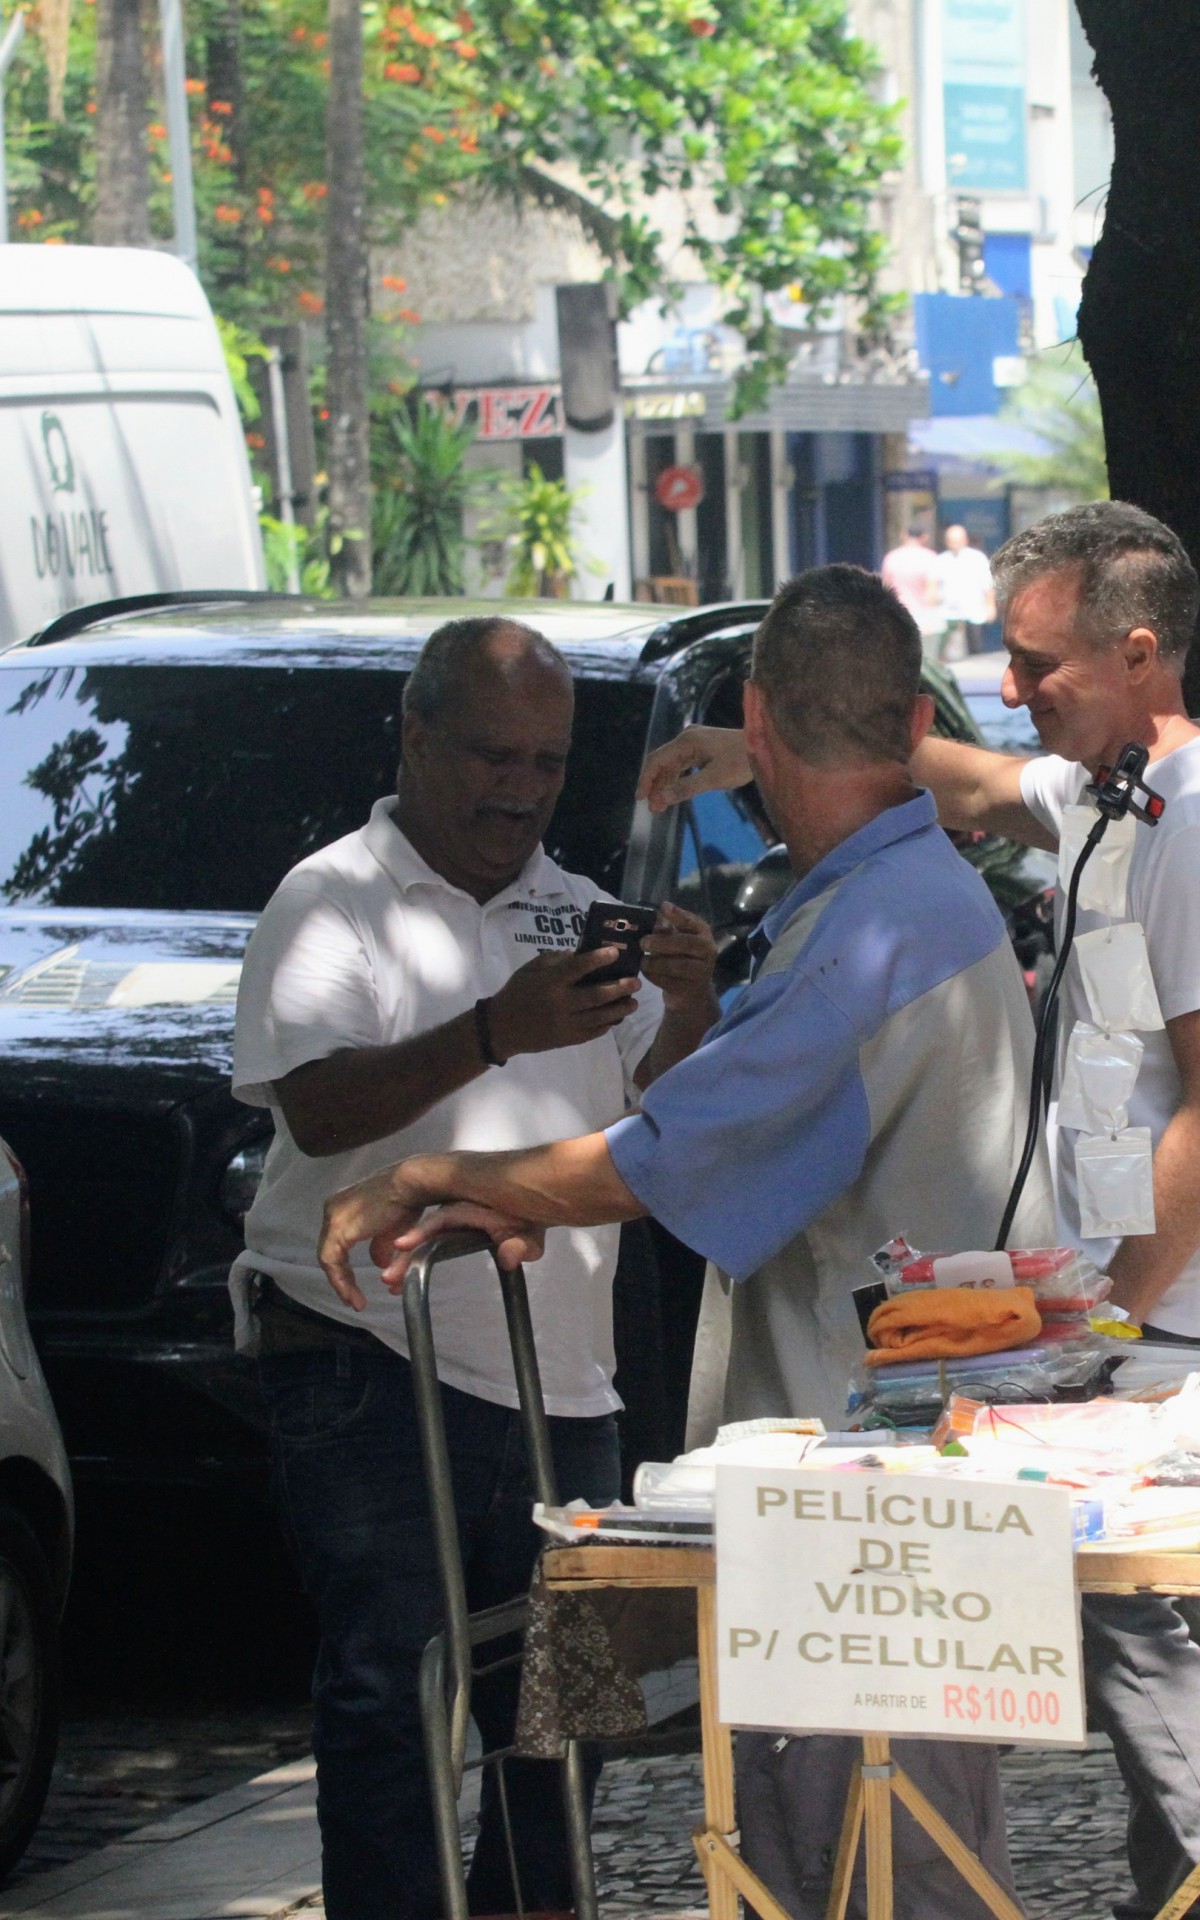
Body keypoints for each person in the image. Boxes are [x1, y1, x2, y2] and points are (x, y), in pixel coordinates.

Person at [318, 566, 1055, 1920]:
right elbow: (698, 1141)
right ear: (912, 722)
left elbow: (653, 1162)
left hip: (864, 1489)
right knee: (891, 1839)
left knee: (870, 1852)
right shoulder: (912, 898)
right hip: (906, 1464)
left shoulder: (875, 929)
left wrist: (431, 1171)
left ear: (756, 721)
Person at [627, 499, 1200, 1920]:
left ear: (1140, 655)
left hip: (1164, 1351)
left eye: (1041, 662)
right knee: (1122, 1741)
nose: (1014, 685)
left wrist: (1102, 1331)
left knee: (1176, 1731)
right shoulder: (1107, 796)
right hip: (1109, 1347)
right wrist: (767, 741)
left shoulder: (1190, 827)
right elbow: (965, 778)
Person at [229, 615, 719, 1920]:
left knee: (577, 1710)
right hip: (371, 1358)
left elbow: (656, 1124)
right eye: (495, 755)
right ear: (416, 736)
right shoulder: (332, 897)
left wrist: (694, 1006)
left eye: (547, 762)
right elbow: (320, 1111)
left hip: (564, 1379)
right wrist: (495, 1029)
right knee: (393, 1698)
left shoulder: (577, 904)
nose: (521, 789)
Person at [881, 522, 944, 659]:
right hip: (923, 620)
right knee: (926, 661)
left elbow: (885, 590)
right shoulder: (930, 558)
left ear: (904, 535)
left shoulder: (891, 558)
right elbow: (931, 594)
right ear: (924, 537)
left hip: (898, 619)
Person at [937, 524, 996, 661]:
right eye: (951, 541)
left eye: (957, 541)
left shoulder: (977, 558)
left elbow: (987, 584)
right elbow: (933, 585)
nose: (954, 544)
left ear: (965, 540)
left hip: (973, 612)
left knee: (975, 649)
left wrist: (990, 606)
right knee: (948, 651)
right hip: (949, 613)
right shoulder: (942, 560)